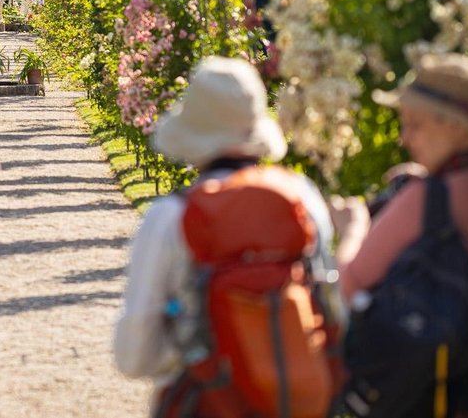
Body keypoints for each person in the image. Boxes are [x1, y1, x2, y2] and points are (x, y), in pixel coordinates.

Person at [113, 56, 336, 410]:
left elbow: (134, 356)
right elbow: (330, 305)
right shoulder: (303, 200)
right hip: (296, 403)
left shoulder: (171, 217)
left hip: (208, 403)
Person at [331, 53, 468, 418]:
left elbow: (346, 288)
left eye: (416, 124)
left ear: (456, 127)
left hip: (454, 404)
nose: (404, 137)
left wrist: (353, 227)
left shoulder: (426, 200)